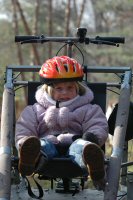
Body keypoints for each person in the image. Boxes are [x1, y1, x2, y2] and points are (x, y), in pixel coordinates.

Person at [15, 56, 108, 190]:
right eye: (59, 88)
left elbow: (98, 125)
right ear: (49, 90)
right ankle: (33, 157)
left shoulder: (89, 109)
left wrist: (92, 137)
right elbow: (24, 129)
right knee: (40, 144)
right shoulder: (35, 110)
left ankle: (92, 162)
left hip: (75, 147)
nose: (65, 93)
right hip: (47, 149)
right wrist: (24, 142)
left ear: (78, 88)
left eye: (70, 87)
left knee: (83, 146)